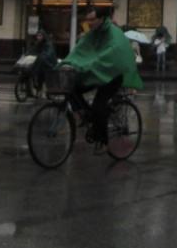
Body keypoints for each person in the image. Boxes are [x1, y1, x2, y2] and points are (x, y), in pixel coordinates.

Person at [60, 10, 144, 150]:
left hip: (113, 75)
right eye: (87, 20)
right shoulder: (92, 33)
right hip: (97, 73)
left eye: (92, 20)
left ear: (101, 19)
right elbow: (81, 48)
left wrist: (93, 62)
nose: (89, 23)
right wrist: (68, 62)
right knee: (72, 88)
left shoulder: (114, 32)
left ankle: (103, 140)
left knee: (99, 105)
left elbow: (112, 51)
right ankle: (87, 115)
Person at [27, 30, 57, 95]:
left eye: (40, 36)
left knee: (40, 73)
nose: (38, 37)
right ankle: (37, 88)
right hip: (41, 62)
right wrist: (28, 54)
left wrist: (43, 55)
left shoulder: (48, 44)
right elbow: (33, 50)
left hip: (49, 63)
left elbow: (49, 53)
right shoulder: (38, 43)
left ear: (43, 36)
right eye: (37, 36)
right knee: (36, 70)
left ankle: (40, 89)